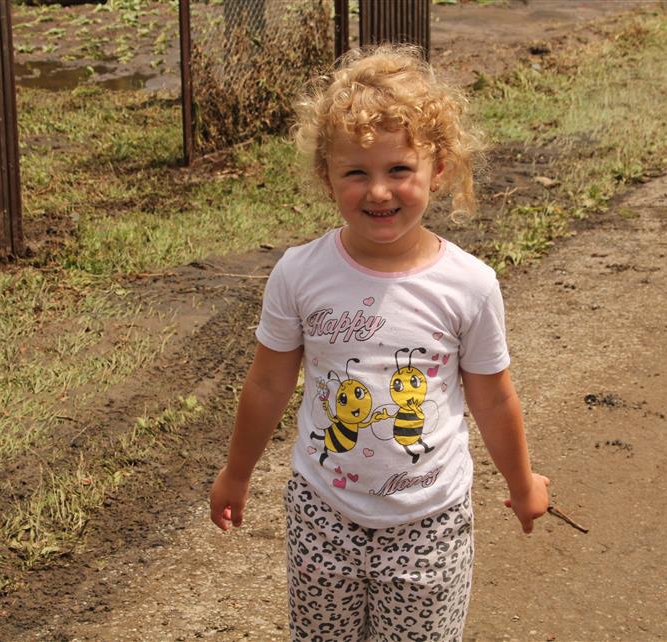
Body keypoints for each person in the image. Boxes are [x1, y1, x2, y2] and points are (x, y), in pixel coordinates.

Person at [209, 44, 549, 641]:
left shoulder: (468, 285)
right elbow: (267, 382)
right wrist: (236, 473)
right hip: (322, 513)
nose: (379, 192)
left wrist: (523, 485)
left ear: (438, 169)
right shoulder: (300, 274)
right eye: (356, 173)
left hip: (430, 520)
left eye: (398, 170)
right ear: (327, 176)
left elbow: (494, 397)